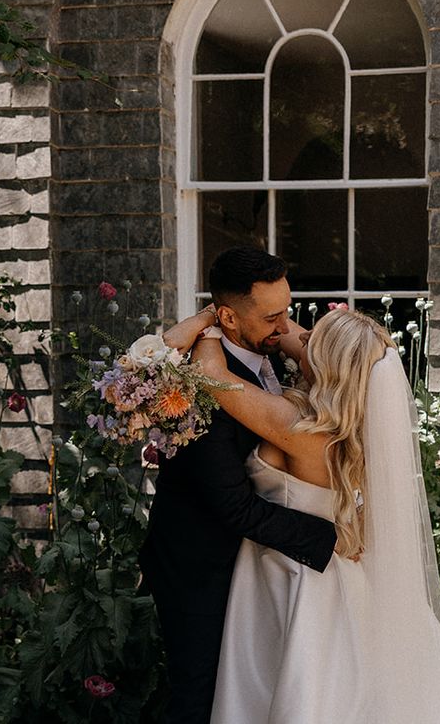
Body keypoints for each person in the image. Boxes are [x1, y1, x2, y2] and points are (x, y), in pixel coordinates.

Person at [165, 302, 440, 724]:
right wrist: (263, 318)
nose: (298, 338)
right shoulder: (351, 428)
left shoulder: (299, 426)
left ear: (325, 361)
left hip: (294, 574)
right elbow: (311, 344)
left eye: (310, 340)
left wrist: (212, 322)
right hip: (330, 570)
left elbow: (212, 376)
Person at [138, 248, 338, 724]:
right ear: (227, 315)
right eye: (271, 316)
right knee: (200, 697)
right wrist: (329, 538)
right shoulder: (198, 387)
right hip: (200, 565)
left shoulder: (273, 352)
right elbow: (235, 507)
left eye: (287, 310)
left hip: (254, 564)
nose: (284, 325)